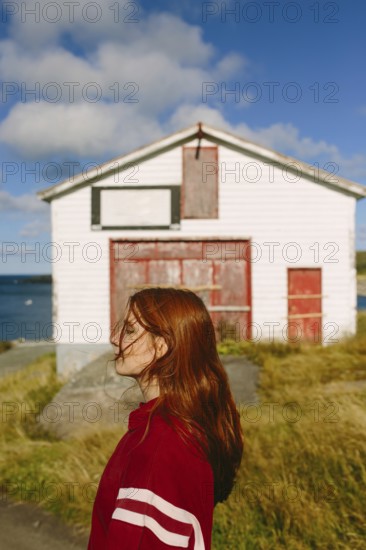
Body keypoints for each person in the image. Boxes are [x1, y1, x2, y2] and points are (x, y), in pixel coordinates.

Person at [87, 287, 244, 549]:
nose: (115, 339)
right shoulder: (180, 427)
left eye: (129, 330)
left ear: (161, 346)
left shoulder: (160, 445)